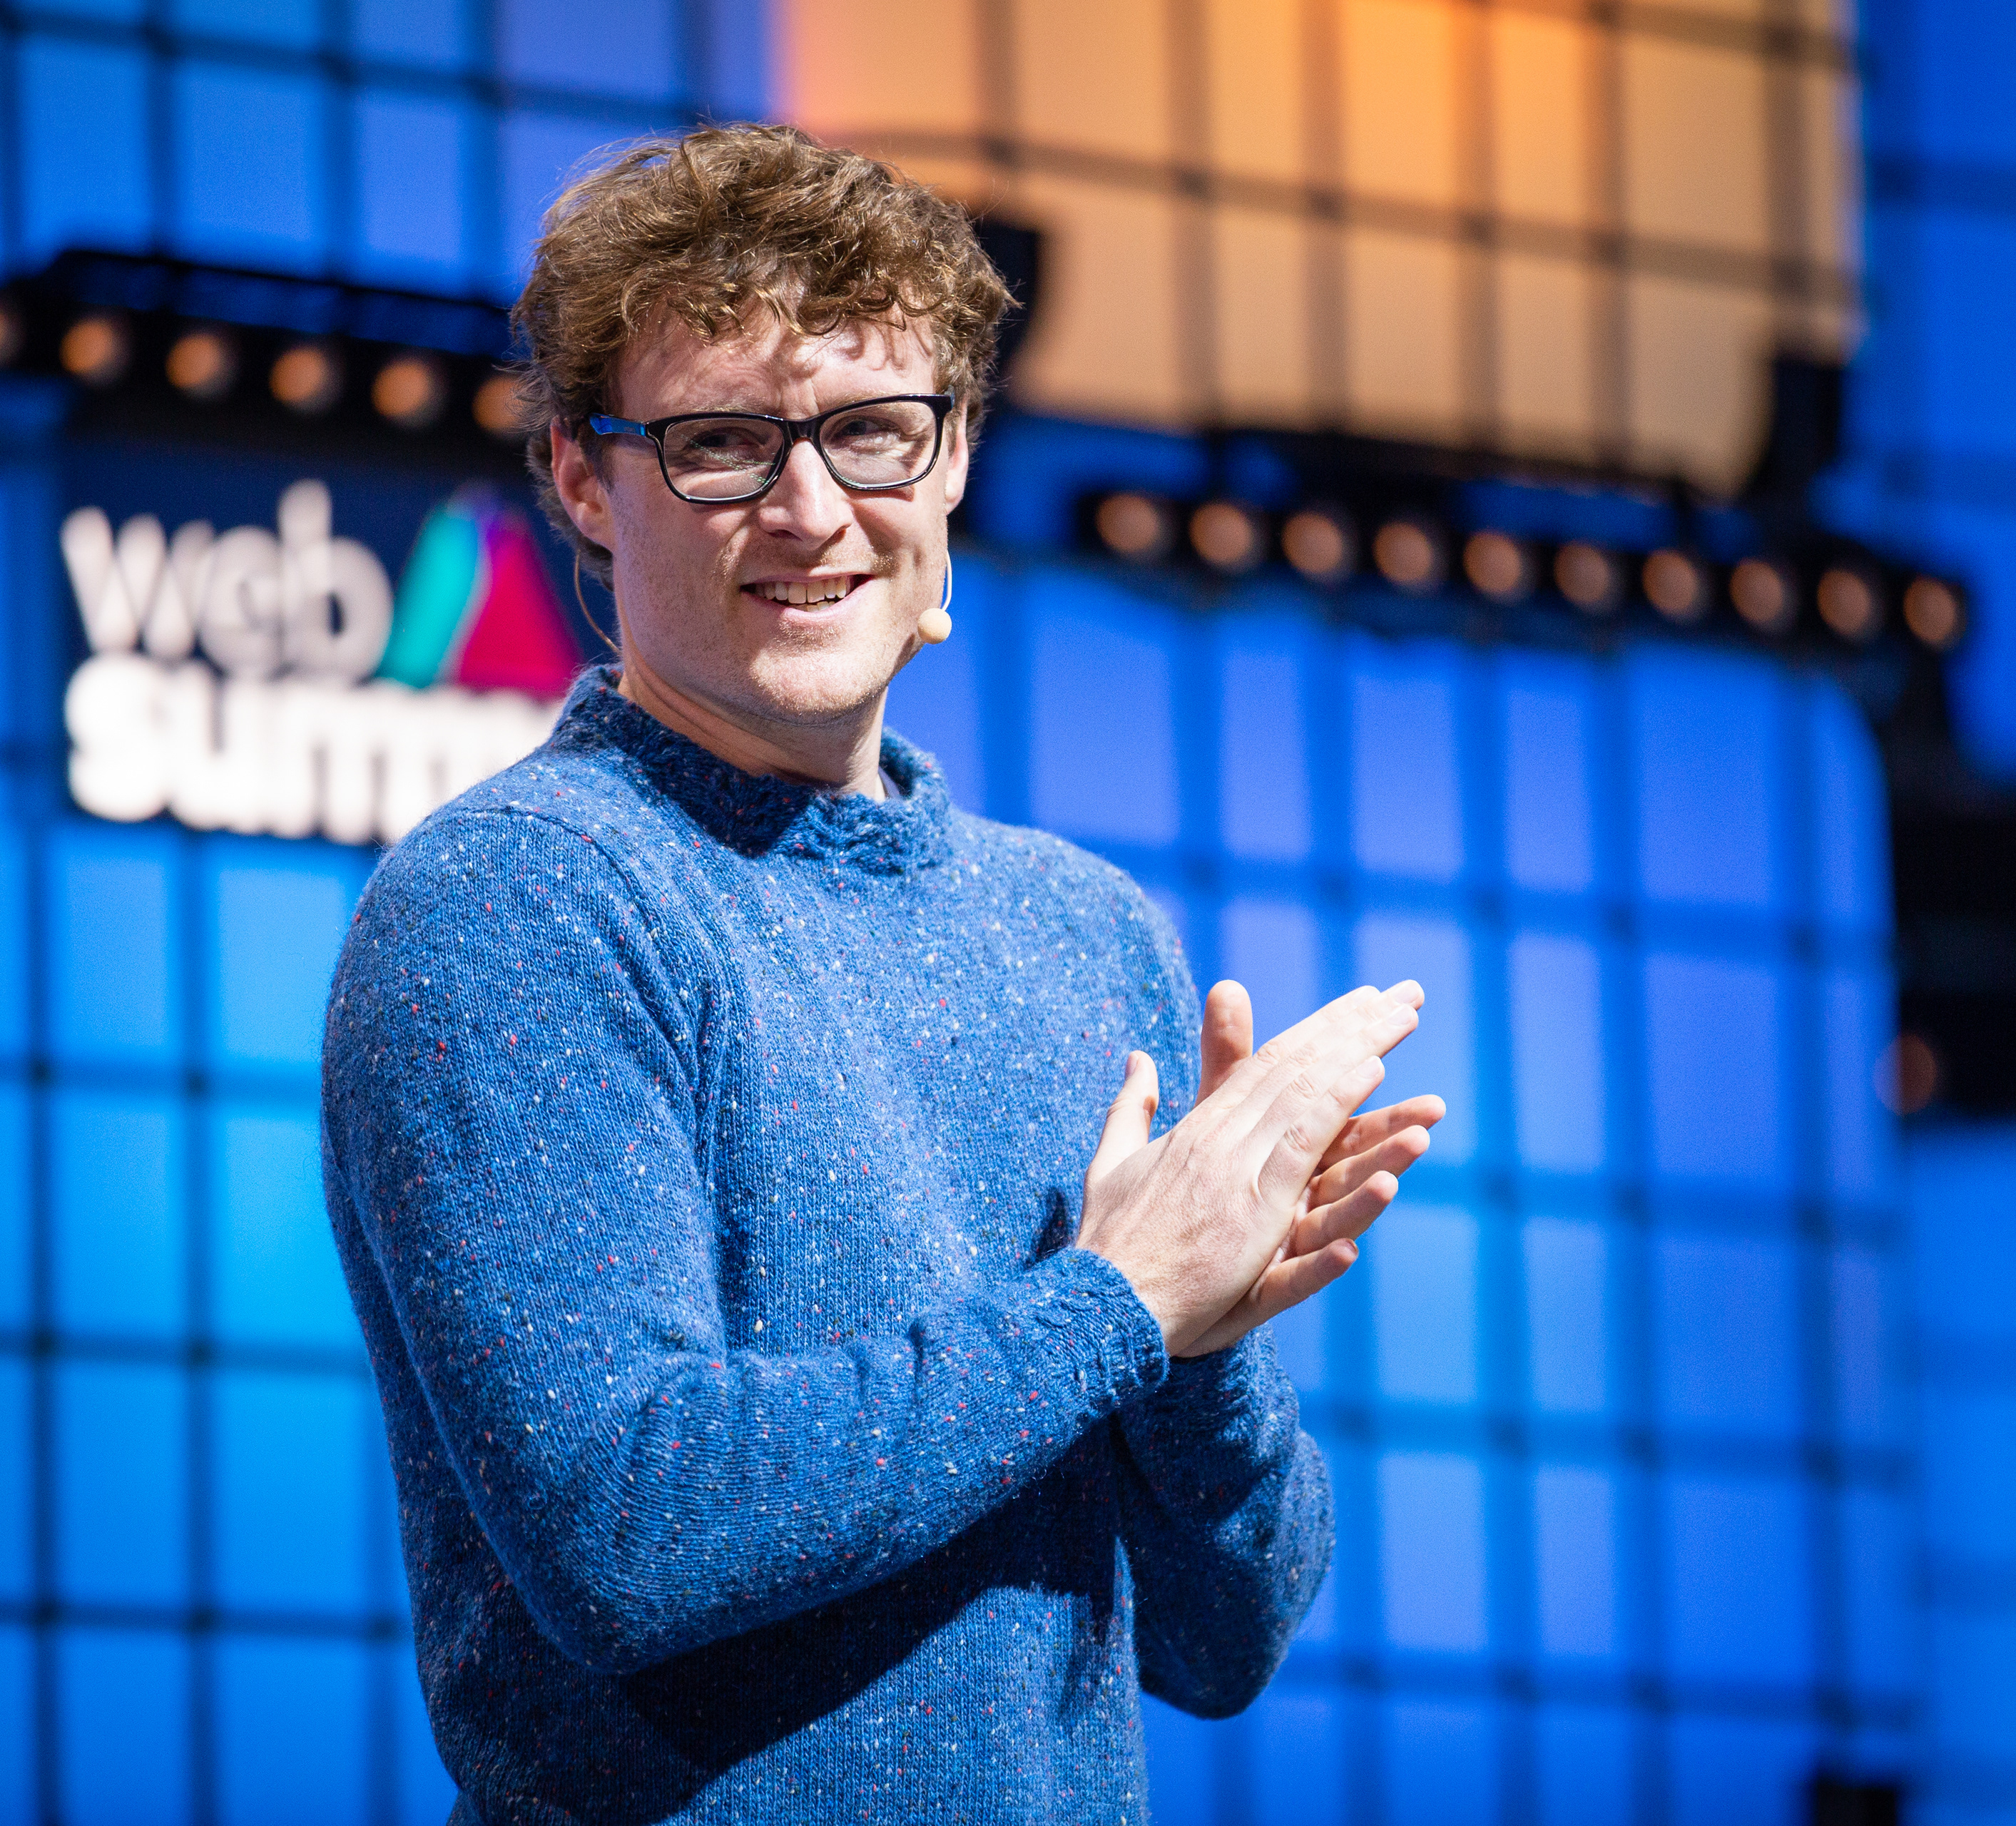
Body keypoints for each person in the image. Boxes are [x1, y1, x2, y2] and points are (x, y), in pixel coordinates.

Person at [321, 123, 1446, 1823]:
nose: (809, 506)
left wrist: (1198, 1333)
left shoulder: (1084, 928)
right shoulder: (513, 902)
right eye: (719, 442)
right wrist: (1120, 1300)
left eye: (870, 430)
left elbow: (1226, 1641)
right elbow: (631, 1525)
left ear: (956, 457)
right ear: (577, 477)